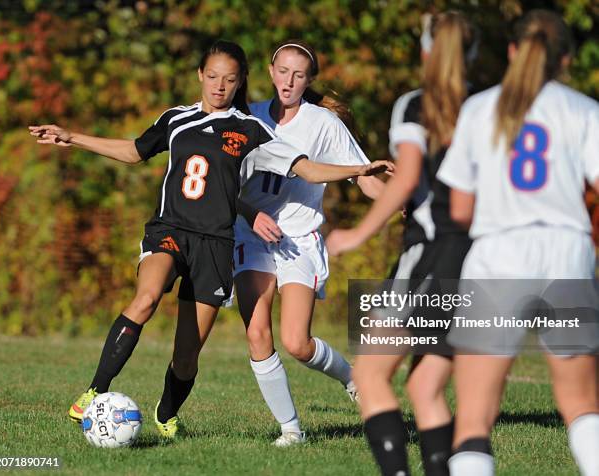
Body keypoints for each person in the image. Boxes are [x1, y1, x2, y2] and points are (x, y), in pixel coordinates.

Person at [29, 39, 393, 437]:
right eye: (213, 76)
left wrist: (361, 169)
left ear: (241, 84)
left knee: (188, 357)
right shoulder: (177, 118)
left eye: (230, 79)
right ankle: (94, 392)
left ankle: (166, 415)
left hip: (218, 246)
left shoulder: (253, 129)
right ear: (201, 75)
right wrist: (72, 137)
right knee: (147, 297)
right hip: (171, 231)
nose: (220, 85)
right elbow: (135, 151)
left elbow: (306, 170)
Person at [436, 10, 599, 476]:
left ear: (512, 51)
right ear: (565, 59)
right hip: (567, 250)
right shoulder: (583, 109)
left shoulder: (480, 108)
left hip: (499, 252)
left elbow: (462, 209)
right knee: (582, 405)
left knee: (473, 420)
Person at [219, 39, 390, 447]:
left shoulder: (324, 124)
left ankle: (352, 377)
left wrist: (399, 201)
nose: (289, 81)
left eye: (299, 74)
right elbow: (224, 183)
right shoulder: (249, 116)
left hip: (299, 239)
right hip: (253, 235)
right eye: (283, 72)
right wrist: (248, 213)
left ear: (309, 79)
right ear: (270, 72)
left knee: (297, 342)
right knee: (258, 332)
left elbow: (364, 178)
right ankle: (291, 430)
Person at [327, 12, 477, 476]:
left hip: (434, 251)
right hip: (486, 256)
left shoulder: (416, 105)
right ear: (471, 54)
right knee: (426, 386)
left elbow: (407, 174)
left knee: (370, 376)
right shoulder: (490, 106)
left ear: (426, 50)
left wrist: (357, 232)